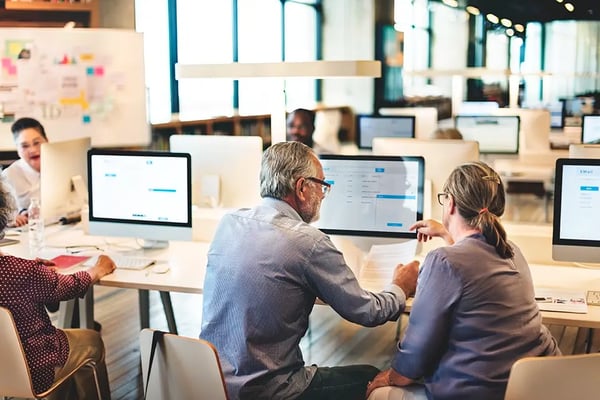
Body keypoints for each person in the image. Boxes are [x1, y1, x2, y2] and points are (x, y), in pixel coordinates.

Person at [200, 141, 419, 400]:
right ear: (302, 188)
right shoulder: (308, 242)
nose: (324, 195)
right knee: (372, 376)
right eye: (322, 186)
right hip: (269, 391)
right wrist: (400, 286)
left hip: (213, 383)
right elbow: (369, 312)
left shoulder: (229, 222)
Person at [366, 161, 561, 400]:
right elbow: (472, 261)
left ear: (450, 204)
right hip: (534, 387)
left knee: (379, 393)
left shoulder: (443, 262)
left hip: (479, 392)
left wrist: (389, 377)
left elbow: (416, 353)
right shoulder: (512, 250)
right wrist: (449, 234)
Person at [0, 179, 116, 399]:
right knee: (92, 341)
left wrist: (35, 273)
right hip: (35, 370)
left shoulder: (22, 271)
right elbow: (66, 288)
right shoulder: (20, 271)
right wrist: (96, 270)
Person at [2, 117, 48, 227]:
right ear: (17, 149)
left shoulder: (61, 165)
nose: (32, 150)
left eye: (37, 143)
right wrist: (10, 218)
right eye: (25, 146)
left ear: (47, 141)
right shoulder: (8, 176)